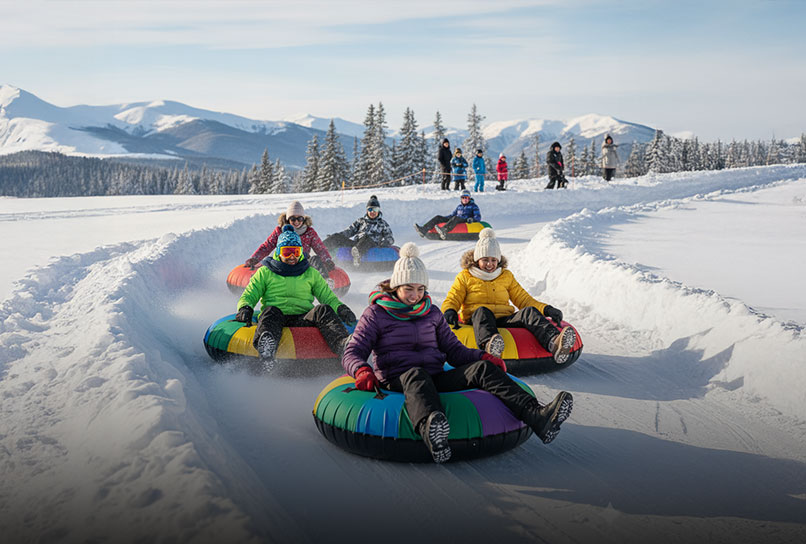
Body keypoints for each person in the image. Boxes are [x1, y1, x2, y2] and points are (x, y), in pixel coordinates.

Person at [342, 242, 574, 463]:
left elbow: (454, 351)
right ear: (396, 286)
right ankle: (432, 433)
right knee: (416, 374)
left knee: (482, 370)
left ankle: (538, 416)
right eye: (408, 289)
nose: (415, 296)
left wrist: (483, 357)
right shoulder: (376, 314)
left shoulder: (431, 313)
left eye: (421, 289)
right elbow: (353, 350)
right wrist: (362, 370)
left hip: (434, 375)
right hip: (398, 379)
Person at [441, 227, 577, 367]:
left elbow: (523, 299)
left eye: (493, 260)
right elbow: (453, 297)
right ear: (477, 259)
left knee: (528, 312)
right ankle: (490, 347)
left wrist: (546, 309)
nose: (490, 264)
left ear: (498, 260)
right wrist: (449, 310)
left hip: (503, 318)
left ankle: (554, 342)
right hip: (478, 320)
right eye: (485, 259)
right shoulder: (465, 276)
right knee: (482, 311)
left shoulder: (506, 276)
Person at [235, 225, 357, 369]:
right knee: (269, 311)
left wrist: (341, 309)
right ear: (278, 252)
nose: (292, 257)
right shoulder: (265, 272)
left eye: (296, 252)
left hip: (303, 317)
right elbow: (250, 293)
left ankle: (341, 345)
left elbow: (328, 297)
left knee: (323, 309)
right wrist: (245, 307)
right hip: (277, 317)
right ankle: (267, 349)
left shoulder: (310, 273)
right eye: (287, 252)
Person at [244, 200, 336, 281]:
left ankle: (325, 282)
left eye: (299, 218)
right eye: (293, 219)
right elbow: (266, 246)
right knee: (268, 262)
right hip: (283, 261)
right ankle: (258, 280)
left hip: (302, 263)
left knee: (315, 259)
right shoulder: (280, 231)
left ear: (303, 219)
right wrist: (255, 258)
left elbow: (320, 248)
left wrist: (327, 260)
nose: (296, 222)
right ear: (288, 219)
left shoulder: (309, 232)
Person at [322, 195, 395, 268]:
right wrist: (336, 236)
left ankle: (357, 257)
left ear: (378, 210)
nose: (372, 212)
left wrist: (384, 243)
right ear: (367, 210)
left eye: (375, 209)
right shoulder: (361, 221)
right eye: (370, 209)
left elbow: (390, 238)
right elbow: (348, 231)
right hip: (356, 244)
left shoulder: (382, 224)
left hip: (370, 245)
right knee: (336, 236)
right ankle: (319, 249)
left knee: (366, 238)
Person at [414, 189, 481, 240]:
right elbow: (452, 215)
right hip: (456, 218)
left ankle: (444, 230)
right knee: (438, 217)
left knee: (456, 218)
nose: (465, 199)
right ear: (461, 198)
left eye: (467, 198)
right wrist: (444, 219)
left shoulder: (474, 206)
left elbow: (478, 217)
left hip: (465, 220)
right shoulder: (459, 206)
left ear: (469, 198)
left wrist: (472, 219)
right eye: (463, 197)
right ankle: (423, 230)